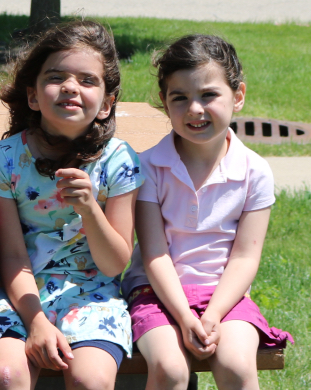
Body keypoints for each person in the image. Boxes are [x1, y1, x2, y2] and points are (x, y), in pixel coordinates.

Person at [0, 21, 143, 390]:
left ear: (106, 104)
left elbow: (115, 262)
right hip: (19, 294)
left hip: (92, 293)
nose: (70, 86)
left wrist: (89, 210)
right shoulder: (3, 161)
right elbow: (12, 256)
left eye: (87, 80)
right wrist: (36, 322)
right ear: (33, 96)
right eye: (56, 77)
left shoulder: (118, 161)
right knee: (6, 375)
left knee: (91, 379)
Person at [120, 34, 293, 390]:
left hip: (226, 297)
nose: (195, 109)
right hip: (156, 293)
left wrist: (213, 313)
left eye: (209, 95)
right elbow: (154, 254)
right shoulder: (149, 167)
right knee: (170, 370)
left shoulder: (254, 171)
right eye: (179, 98)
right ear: (165, 104)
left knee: (236, 365)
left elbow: (246, 257)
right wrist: (184, 316)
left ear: (238, 96)